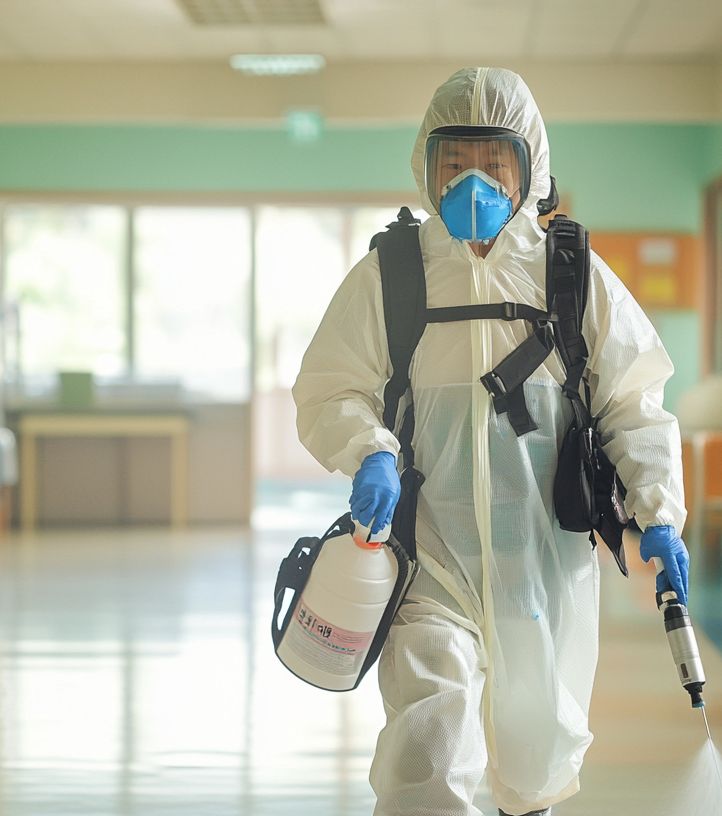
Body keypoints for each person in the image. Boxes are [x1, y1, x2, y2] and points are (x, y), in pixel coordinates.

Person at [292, 67, 688, 816]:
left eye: (494, 162)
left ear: (529, 166)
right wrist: (369, 448)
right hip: (427, 558)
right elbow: (329, 385)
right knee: (428, 742)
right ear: (426, 166)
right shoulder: (394, 274)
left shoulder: (571, 274)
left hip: (541, 563)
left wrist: (659, 512)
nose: (473, 181)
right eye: (454, 162)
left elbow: (635, 400)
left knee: (535, 752)